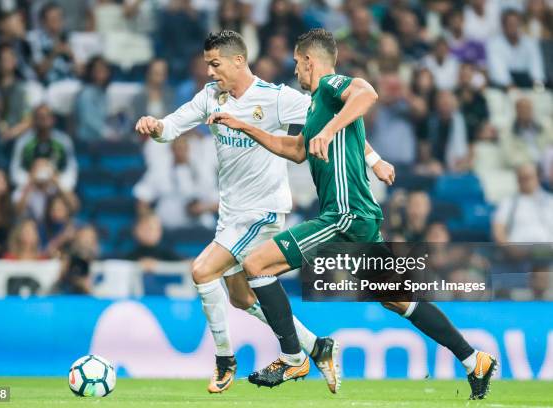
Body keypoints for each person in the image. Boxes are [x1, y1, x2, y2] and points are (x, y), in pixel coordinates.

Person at [208, 29, 496, 400]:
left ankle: (294, 356)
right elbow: (296, 150)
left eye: (297, 63)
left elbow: (366, 93)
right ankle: (475, 360)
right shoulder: (316, 106)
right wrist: (247, 127)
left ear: (309, 61)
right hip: (358, 216)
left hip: (343, 214)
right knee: (397, 298)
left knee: (257, 265)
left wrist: (329, 132)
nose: (295, 70)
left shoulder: (330, 87)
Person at [136, 30, 393, 394]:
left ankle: (225, 360)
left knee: (201, 270)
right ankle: (316, 346)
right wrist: (155, 126)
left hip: (264, 212)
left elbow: (334, 117)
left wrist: (374, 159)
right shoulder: (210, 97)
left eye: (215, 64)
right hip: (231, 214)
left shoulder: (275, 98)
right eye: (207, 64)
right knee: (241, 298)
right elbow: (172, 127)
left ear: (238, 60)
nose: (209, 72)